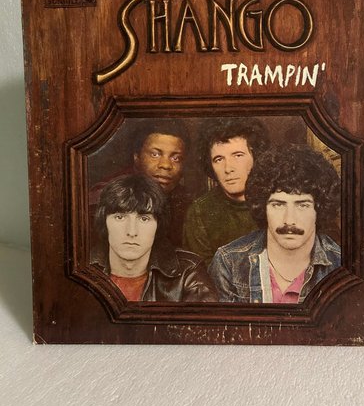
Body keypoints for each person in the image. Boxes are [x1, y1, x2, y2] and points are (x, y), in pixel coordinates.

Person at [208, 144, 341, 303]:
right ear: (262, 207)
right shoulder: (228, 262)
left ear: (319, 209)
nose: (289, 220)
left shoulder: (340, 265)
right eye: (278, 205)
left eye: (302, 205)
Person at [93, 174, 218, 302]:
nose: (131, 231)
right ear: (104, 221)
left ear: (158, 226)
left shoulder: (188, 273)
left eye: (144, 219)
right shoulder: (85, 268)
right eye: (120, 217)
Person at [182, 117, 269, 266]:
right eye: (219, 159)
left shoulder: (277, 201)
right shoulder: (200, 212)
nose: (228, 168)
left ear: (256, 157)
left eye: (238, 155)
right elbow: (200, 275)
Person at [90, 119, 191, 247]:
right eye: (155, 154)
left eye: (176, 158)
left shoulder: (185, 201)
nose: (166, 165)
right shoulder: (105, 197)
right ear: (137, 157)